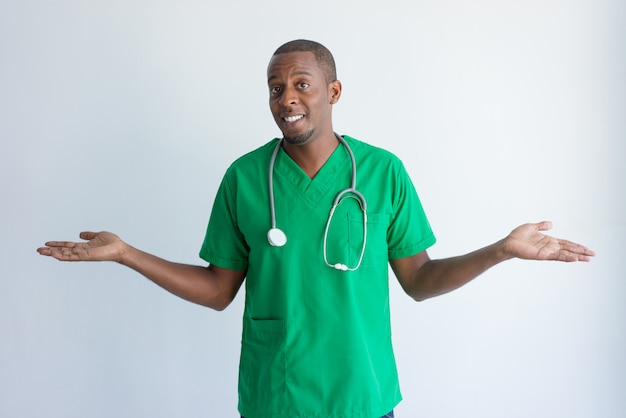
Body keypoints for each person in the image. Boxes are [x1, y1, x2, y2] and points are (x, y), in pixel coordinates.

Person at [37, 39, 595, 418]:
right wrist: (127, 254)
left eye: (302, 84)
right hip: (275, 398)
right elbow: (216, 290)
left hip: (363, 395)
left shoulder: (382, 173)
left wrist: (500, 250)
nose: (287, 98)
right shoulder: (245, 178)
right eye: (275, 87)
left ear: (333, 93)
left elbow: (420, 281)